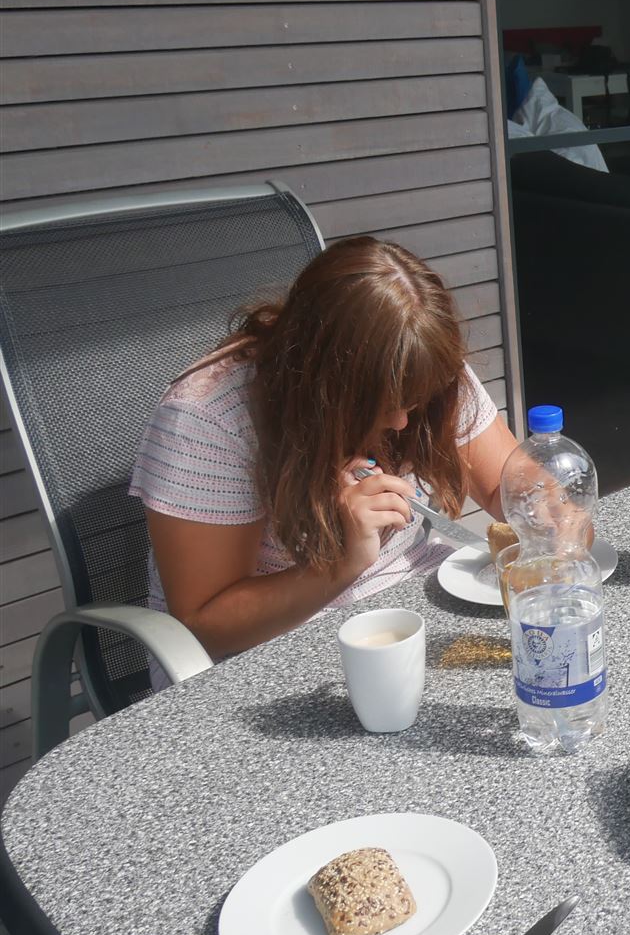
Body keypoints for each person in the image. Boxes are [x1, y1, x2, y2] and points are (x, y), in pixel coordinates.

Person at [130, 237, 519, 663]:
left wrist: (546, 510)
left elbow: (508, 484)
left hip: (408, 604)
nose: (401, 423)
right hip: (273, 650)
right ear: (322, 385)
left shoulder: (417, 360)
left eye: (413, 402)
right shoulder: (208, 418)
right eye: (381, 406)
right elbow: (203, 625)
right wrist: (342, 564)